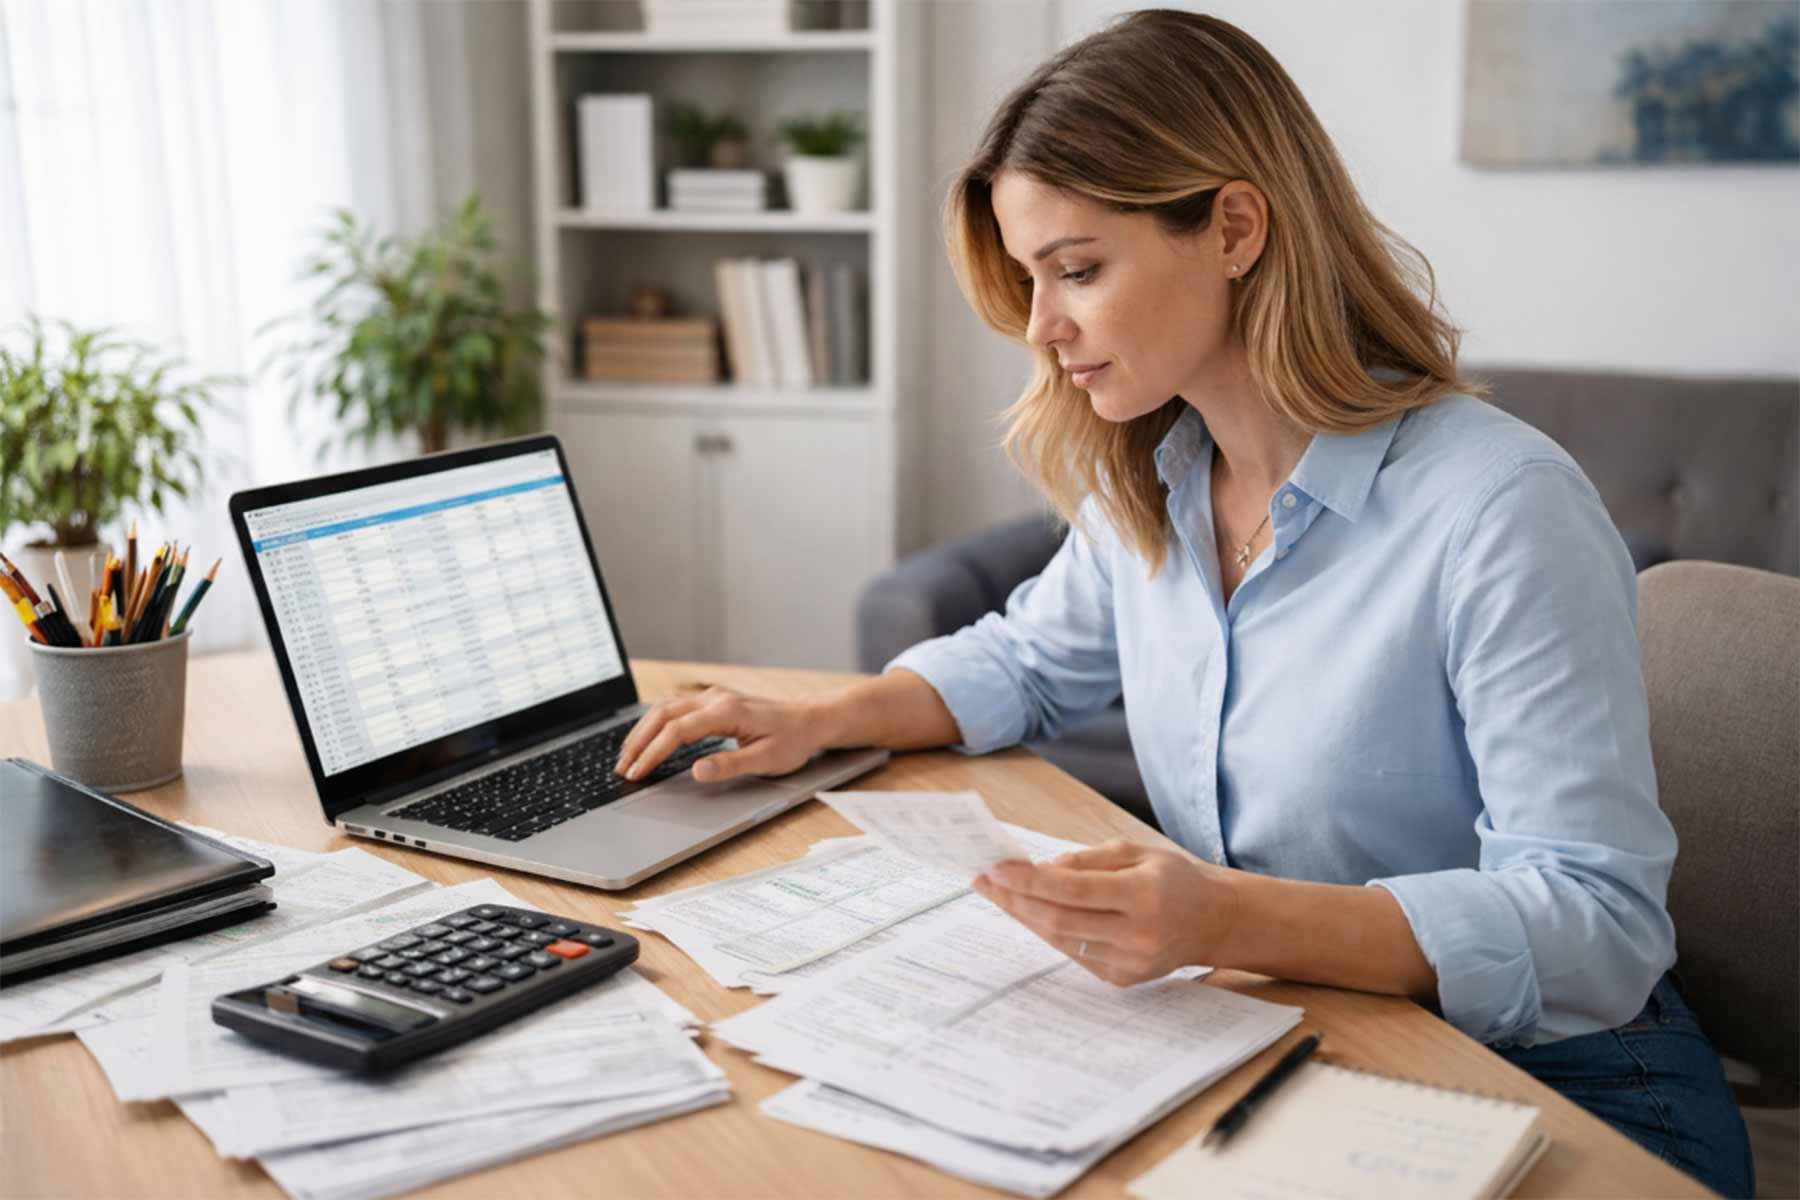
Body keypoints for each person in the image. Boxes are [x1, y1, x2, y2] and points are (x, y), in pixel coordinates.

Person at [615, 9, 1752, 1195]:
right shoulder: (1159, 480)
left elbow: (1595, 923)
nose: (1042, 328)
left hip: (1574, 1089)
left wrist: (1224, 921)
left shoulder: (1500, 508)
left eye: (1077, 271)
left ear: (1235, 228)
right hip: (1309, 1042)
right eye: (1030, 280)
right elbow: (1026, 662)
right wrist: (821, 718)